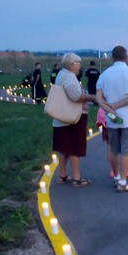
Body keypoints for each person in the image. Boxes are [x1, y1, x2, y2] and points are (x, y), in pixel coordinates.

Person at [96, 45, 128, 192]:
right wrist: (117, 105)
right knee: (127, 150)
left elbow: (98, 98)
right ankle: (123, 181)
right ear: (126, 57)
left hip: (112, 118)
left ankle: (116, 177)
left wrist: (110, 110)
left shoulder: (104, 75)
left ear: (112, 57)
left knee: (114, 149)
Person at [52, 53, 95, 187]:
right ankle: (77, 178)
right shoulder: (70, 77)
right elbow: (76, 96)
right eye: (78, 63)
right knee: (74, 147)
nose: (80, 66)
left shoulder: (61, 75)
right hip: (72, 118)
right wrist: (92, 97)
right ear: (71, 65)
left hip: (62, 117)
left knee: (64, 147)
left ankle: (63, 175)